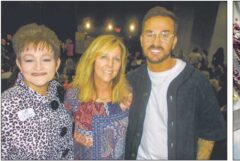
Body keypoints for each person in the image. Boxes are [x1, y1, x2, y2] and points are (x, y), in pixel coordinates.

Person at [124, 7, 226, 160]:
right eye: (150, 34)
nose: (156, 42)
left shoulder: (196, 82)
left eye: (164, 35)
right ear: (142, 39)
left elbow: (209, 134)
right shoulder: (131, 79)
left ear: (174, 41)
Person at [1, 23, 73, 159]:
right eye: (29, 60)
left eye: (46, 59)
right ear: (19, 64)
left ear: (57, 64)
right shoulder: (6, 106)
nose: (38, 67)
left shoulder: (58, 94)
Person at [65, 35, 132, 159]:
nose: (110, 64)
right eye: (104, 57)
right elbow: (62, 135)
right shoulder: (74, 95)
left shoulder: (127, 96)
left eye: (116, 59)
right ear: (92, 59)